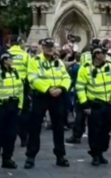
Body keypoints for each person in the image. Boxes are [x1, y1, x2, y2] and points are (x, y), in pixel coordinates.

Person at [25, 38, 71, 169]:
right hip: (41, 96)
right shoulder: (35, 61)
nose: (50, 49)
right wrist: (47, 89)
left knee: (59, 127)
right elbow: (32, 78)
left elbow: (66, 77)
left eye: (52, 47)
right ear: (42, 47)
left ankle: (60, 155)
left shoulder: (58, 61)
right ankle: (30, 156)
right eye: (48, 47)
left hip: (57, 96)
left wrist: (61, 89)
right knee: (35, 127)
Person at [76, 46, 111, 166]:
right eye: (102, 53)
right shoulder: (85, 68)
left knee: (106, 130)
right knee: (95, 132)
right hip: (94, 105)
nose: (104, 55)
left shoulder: (109, 66)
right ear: (96, 55)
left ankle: (101, 151)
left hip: (107, 104)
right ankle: (95, 154)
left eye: (105, 53)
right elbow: (80, 87)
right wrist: (84, 104)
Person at [0, 52, 24, 170]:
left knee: (11, 135)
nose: (12, 60)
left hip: (13, 106)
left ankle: (7, 158)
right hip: (0, 107)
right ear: (4, 60)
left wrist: (20, 106)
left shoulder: (15, 72)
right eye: (10, 58)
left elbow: (20, 89)